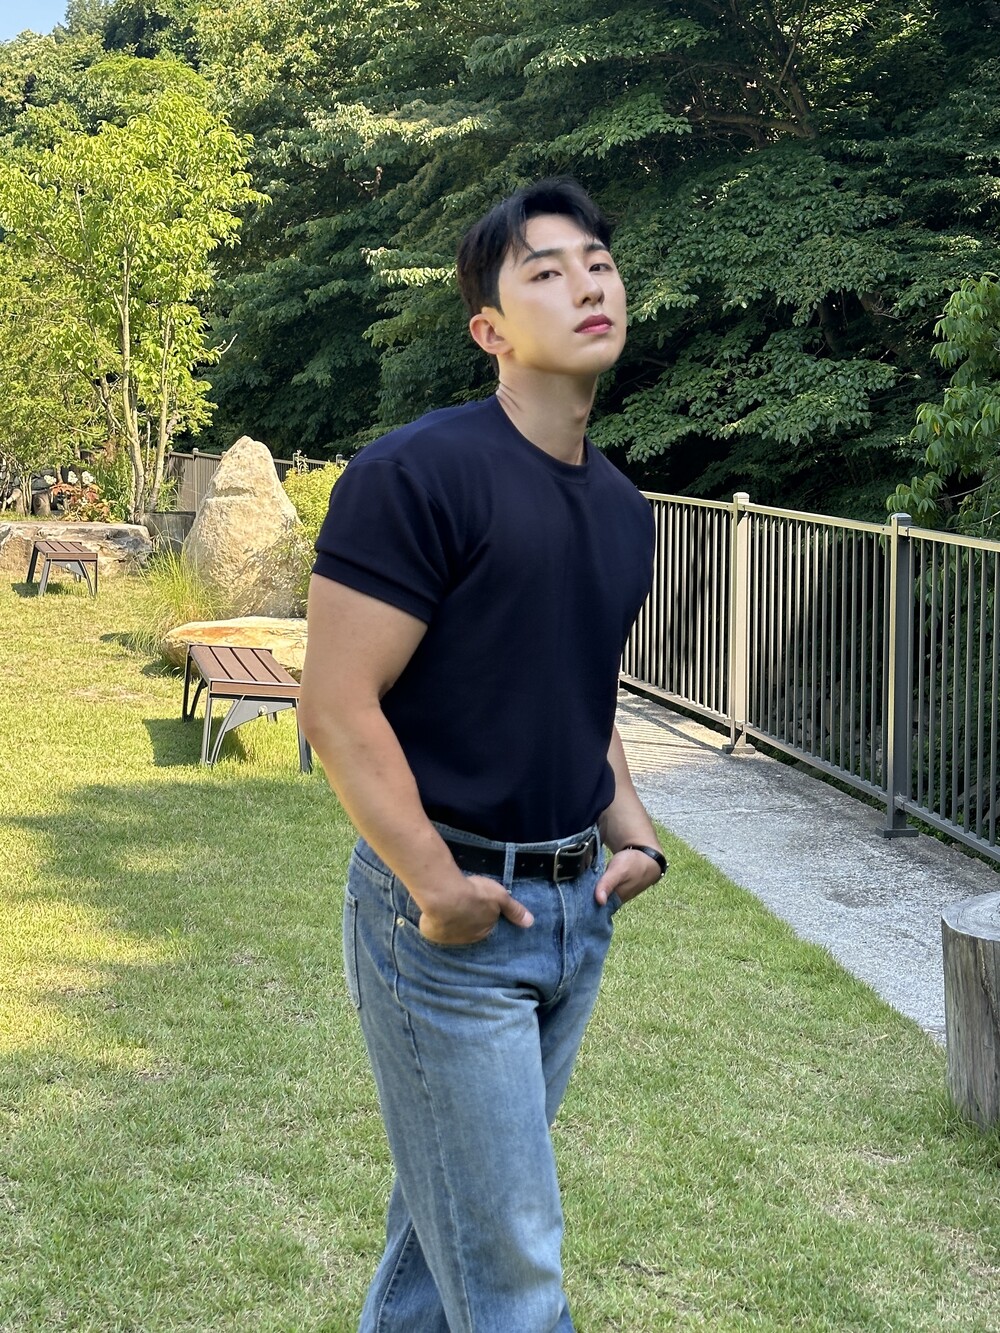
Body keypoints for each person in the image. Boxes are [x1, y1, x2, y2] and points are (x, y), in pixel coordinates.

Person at [299, 177, 667, 1333]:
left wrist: (633, 833)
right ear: (490, 330)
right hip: (450, 920)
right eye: (544, 272)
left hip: (573, 911)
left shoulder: (622, 507)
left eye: (597, 262)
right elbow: (336, 704)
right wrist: (433, 884)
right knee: (513, 1275)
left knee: (444, 1233)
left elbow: (578, 693)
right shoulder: (417, 474)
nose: (585, 283)